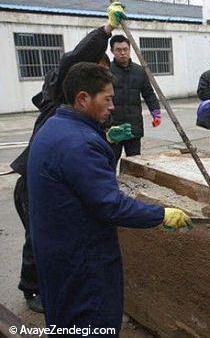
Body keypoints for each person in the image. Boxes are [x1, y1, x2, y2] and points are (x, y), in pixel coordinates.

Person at [27, 62, 192, 335]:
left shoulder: (55, 126)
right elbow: (110, 205)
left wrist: (102, 138)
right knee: (93, 322)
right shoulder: (79, 143)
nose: (112, 106)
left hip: (56, 252)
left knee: (64, 321)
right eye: (108, 99)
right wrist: (161, 214)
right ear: (83, 98)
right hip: (83, 258)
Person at [8, 1, 127, 313]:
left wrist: (108, 138)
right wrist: (106, 30)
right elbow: (74, 57)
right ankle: (32, 289)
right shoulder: (59, 95)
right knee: (38, 237)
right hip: (34, 181)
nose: (103, 77)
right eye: (98, 70)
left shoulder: (89, 112)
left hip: (57, 178)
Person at [109, 35, 161, 164]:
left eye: (125, 49)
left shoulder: (140, 71)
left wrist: (156, 113)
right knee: (109, 162)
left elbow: (149, 94)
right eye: (118, 50)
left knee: (135, 162)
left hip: (133, 126)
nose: (122, 53)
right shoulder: (106, 71)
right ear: (112, 51)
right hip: (113, 127)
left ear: (130, 49)